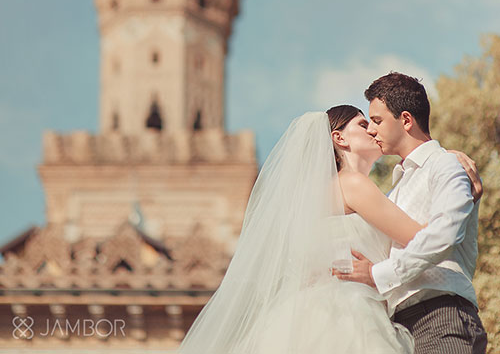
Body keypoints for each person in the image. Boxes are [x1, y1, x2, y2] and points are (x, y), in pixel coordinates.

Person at [178, 104, 462, 354]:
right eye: (364, 125)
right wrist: (459, 189)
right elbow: (420, 238)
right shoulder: (353, 184)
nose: (374, 131)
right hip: (350, 314)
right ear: (339, 138)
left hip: (307, 313)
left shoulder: (320, 194)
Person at [333, 72, 487, 354]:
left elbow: (444, 236)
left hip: (441, 315)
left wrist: (376, 273)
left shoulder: (445, 166)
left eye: (377, 121)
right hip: (400, 327)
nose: (371, 130)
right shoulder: (394, 190)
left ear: (405, 120)